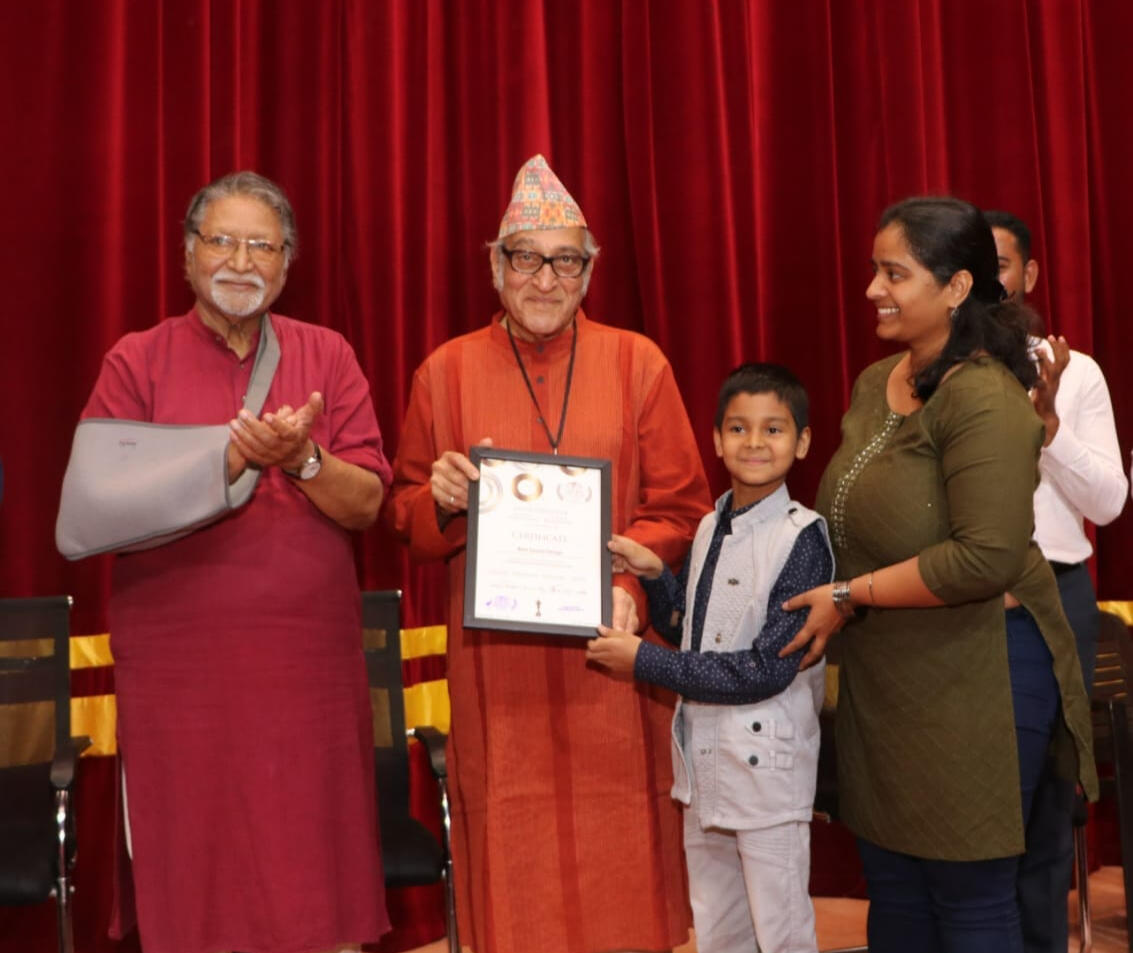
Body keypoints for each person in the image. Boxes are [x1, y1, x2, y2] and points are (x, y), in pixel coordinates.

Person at [385, 154, 712, 953]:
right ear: (495, 266)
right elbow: (403, 518)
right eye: (525, 257)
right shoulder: (444, 373)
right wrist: (445, 500)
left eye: (565, 259)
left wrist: (637, 575)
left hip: (613, 660)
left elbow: (682, 509)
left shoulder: (638, 363)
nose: (545, 277)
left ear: (589, 270)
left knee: (626, 864)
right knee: (512, 862)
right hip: (498, 673)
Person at [59, 171, 391, 953]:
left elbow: (369, 503)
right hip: (182, 675)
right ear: (187, 255)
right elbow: (92, 511)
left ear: (286, 265)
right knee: (198, 880)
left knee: (312, 873)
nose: (240, 261)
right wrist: (227, 463)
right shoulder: (136, 360)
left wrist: (303, 458)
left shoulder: (327, 355)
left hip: (304, 668)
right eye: (222, 241)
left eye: (261, 246)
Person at [779, 197, 1097, 953]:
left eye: (894, 273)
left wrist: (848, 595)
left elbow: (984, 555)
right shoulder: (871, 383)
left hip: (977, 670)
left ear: (955, 288)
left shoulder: (985, 393)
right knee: (893, 888)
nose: (872, 290)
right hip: (887, 679)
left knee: (970, 895)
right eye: (872, 270)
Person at [587, 363, 834, 953]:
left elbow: (764, 669)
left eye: (773, 430)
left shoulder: (802, 537)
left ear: (801, 442)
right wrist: (657, 578)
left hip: (768, 774)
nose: (754, 443)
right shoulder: (708, 527)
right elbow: (691, 631)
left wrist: (641, 661)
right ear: (717, 439)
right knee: (719, 928)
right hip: (704, 770)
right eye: (739, 429)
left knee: (782, 933)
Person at [984, 208, 1127, 953]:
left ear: (1029, 275)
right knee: (966, 805)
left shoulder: (1072, 374)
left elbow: (1107, 502)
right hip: (951, 605)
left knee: (1043, 804)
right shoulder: (919, 372)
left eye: (999, 263)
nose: (982, 278)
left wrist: (1048, 430)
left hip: (1052, 602)